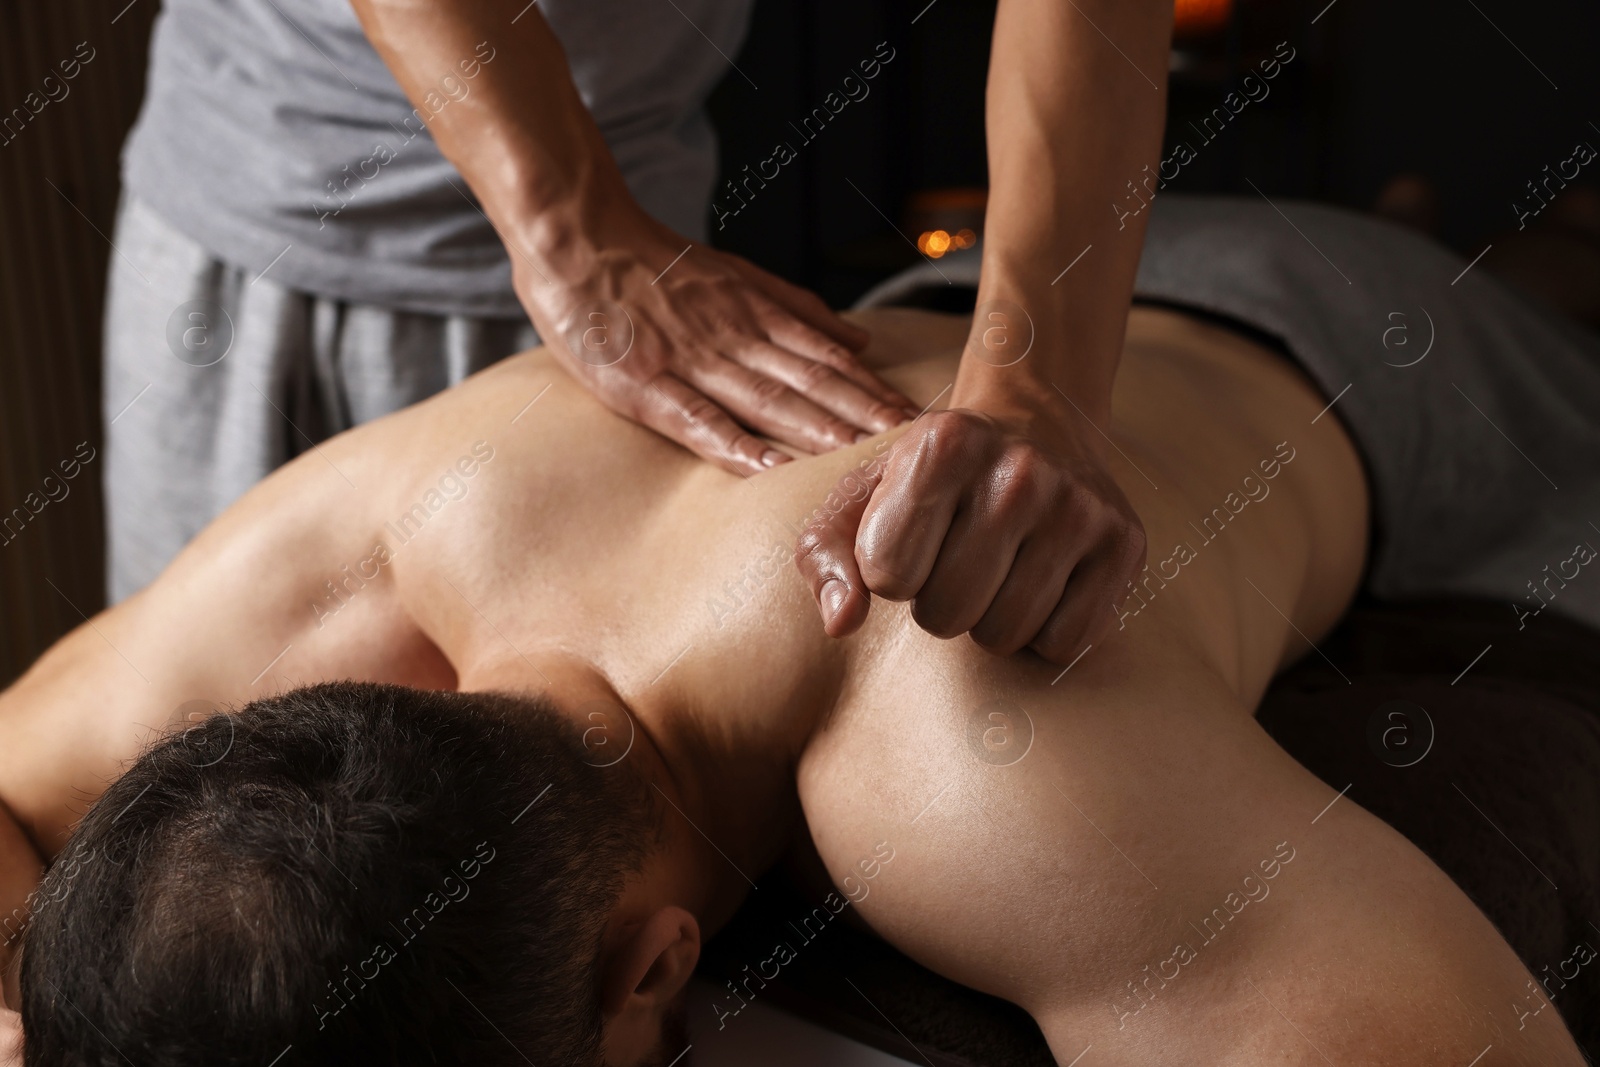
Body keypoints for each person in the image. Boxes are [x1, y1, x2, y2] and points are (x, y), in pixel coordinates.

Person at [6, 196, 1597, 1064]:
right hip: (966, 286)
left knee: (1546, 284)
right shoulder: (357, 569)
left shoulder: (969, 758)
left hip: (1375, 361)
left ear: (656, 975)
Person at [105, 0, 1174, 671]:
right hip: (250, 196)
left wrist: (1041, 387)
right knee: (154, 817)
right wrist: (572, 231)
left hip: (634, 216)